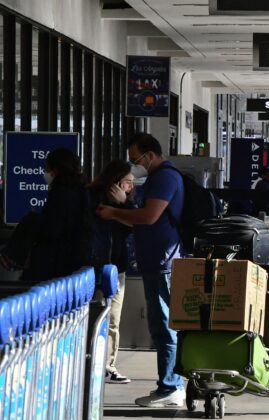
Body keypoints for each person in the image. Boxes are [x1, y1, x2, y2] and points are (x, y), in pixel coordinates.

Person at [96, 133, 185, 408]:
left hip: (163, 263)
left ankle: (170, 385)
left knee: (164, 326)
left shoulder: (165, 178)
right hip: (156, 261)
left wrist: (114, 212)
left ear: (151, 154)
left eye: (137, 158)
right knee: (161, 326)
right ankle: (171, 383)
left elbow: (149, 217)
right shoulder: (159, 179)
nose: (136, 164)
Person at [0, 149, 89, 281]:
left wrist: (37, 221)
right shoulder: (83, 191)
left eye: (48, 169)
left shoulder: (59, 193)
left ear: (57, 169)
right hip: (76, 261)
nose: (46, 173)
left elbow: (53, 229)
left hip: (54, 262)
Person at [88, 160, 136, 384]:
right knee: (92, 314)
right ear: (116, 182)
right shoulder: (91, 197)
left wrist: (123, 204)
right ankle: (91, 361)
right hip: (94, 265)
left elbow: (137, 224)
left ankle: (108, 364)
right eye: (128, 182)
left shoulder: (129, 204)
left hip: (117, 266)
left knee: (113, 318)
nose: (131, 187)